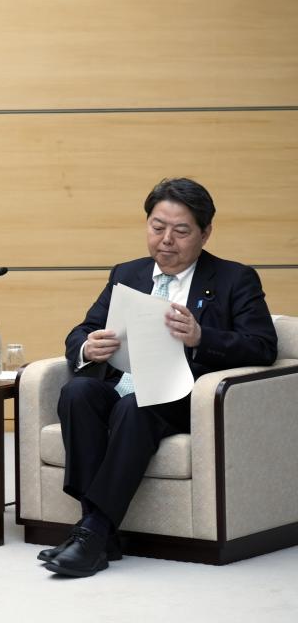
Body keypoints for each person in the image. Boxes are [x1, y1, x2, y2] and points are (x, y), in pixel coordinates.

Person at [41, 178, 277, 578]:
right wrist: (87, 347)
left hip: (186, 396)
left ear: (205, 233)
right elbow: (81, 330)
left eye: (181, 231)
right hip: (124, 384)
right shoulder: (127, 273)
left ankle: (91, 535)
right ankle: (98, 534)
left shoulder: (235, 279)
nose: (166, 240)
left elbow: (262, 347)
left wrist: (203, 337)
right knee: (77, 391)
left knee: (136, 408)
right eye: (157, 227)